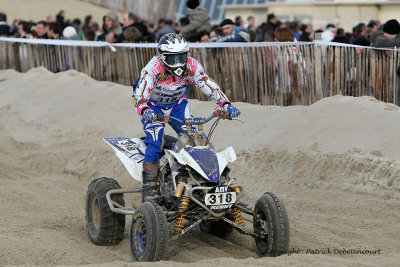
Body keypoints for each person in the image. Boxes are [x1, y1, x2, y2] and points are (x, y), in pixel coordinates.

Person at [132, 33, 240, 202]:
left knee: (198, 139)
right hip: (153, 107)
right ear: (162, 56)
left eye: (181, 57)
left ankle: (206, 181)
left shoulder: (192, 66)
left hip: (177, 105)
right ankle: (150, 188)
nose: (178, 63)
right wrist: (145, 109)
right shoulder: (152, 69)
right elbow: (139, 94)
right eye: (172, 58)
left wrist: (226, 104)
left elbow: (208, 85)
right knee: (154, 142)